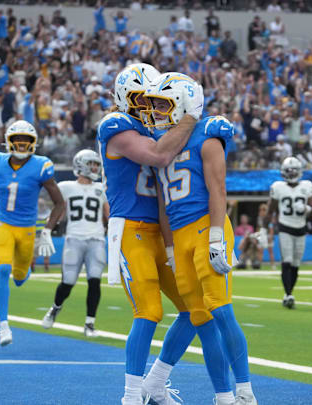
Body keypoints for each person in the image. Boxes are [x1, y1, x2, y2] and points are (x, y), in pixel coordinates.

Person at [144, 72, 257, 405]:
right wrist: (168, 246)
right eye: (156, 105)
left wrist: (217, 237)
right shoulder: (160, 143)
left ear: (184, 104)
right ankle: (223, 397)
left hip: (207, 228)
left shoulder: (207, 133)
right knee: (200, 319)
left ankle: (246, 391)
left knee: (221, 311)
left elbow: (218, 188)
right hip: (179, 237)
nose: (158, 113)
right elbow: (163, 202)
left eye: (164, 104)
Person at [97, 64, 200, 405]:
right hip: (130, 228)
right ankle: (129, 396)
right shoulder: (115, 125)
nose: (146, 108)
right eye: (140, 99)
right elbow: (158, 156)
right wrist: (190, 118)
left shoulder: (156, 128)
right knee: (149, 310)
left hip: (160, 230)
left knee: (195, 308)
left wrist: (171, 244)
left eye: (154, 100)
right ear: (123, 98)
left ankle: (155, 383)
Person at [0, 120, 65, 347]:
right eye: (17, 140)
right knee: (3, 269)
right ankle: (3, 326)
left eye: (26, 141)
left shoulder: (41, 166)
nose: (21, 144)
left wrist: (48, 230)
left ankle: (22, 276)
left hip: (28, 228)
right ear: (9, 141)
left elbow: (59, 203)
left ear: (33, 143)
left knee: (19, 278)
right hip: (3, 224)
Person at [42, 150, 109, 338]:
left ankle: (90, 323)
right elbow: (59, 210)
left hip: (96, 239)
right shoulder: (66, 186)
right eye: (92, 164)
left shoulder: (100, 188)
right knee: (68, 282)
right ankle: (55, 308)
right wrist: (49, 227)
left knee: (95, 281)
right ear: (81, 164)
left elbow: (108, 213)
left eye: (96, 164)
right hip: (74, 239)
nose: (95, 167)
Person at [266, 157, 312, 309]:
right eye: (289, 170)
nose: (292, 173)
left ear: (299, 171)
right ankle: (288, 294)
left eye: (294, 170)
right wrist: (263, 227)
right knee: (286, 261)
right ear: (283, 171)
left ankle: (289, 293)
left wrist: (307, 209)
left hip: (301, 228)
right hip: (285, 227)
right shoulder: (278, 187)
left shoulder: (307, 186)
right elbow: (271, 210)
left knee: (295, 264)